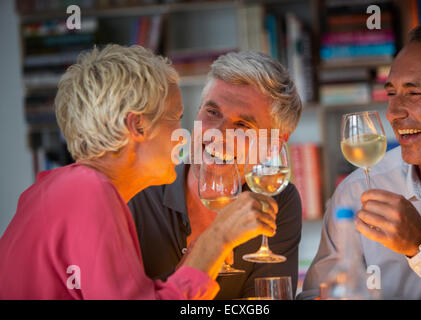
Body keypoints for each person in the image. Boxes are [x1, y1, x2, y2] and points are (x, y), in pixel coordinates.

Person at [0, 45, 279, 299]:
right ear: (138, 126)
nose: (183, 137)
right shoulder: (88, 191)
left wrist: (197, 260)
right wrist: (218, 237)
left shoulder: (64, 188)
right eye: (175, 118)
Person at [128, 51, 303, 299]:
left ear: (274, 145)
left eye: (243, 126)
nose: (217, 134)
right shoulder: (138, 193)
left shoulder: (278, 201)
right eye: (212, 112)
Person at [299, 22, 421, 300]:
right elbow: (315, 295)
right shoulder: (356, 192)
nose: (392, 113)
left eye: (414, 93)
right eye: (391, 93)